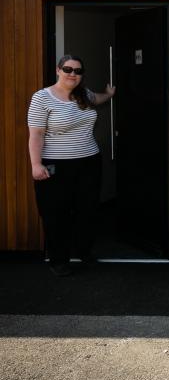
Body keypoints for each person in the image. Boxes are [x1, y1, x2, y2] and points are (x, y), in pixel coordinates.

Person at [27, 55, 116, 277]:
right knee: (56, 213)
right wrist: (36, 164)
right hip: (56, 165)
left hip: (89, 162)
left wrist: (110, 94)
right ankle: (59, 260)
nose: (72, 74)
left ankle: (83, 251)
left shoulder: (83, 94)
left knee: (87, 209)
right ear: (58, 70)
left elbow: (98, 99)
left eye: (77, 71)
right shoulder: (42, 98)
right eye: (67, 69)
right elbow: (36, 135)